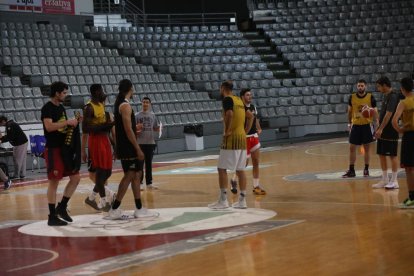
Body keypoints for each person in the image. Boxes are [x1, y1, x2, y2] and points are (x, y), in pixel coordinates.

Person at [109, 79, 155, 219]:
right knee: (129, 175)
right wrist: (138, 149)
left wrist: (135, 129)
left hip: (125, 145)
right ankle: (115, 208)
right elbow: (128, 131)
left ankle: (139, 207)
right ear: (130, 89)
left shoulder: (121, 103)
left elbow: (123, 129)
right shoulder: (125, 106)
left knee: (136, 175)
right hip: (129, 147)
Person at [208, 80, 253, 210]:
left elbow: (229, 114)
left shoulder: (227, 99)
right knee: (240, 170)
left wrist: (227, 130)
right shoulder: (239, 100)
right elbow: (250, 117)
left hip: (232, 139)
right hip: (242, 139)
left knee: (221, 169)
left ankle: (223, 201)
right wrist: (245, 131)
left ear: (222, 88)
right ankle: (242, 201)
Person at [41, 81, 81, 226]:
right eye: (64, 93)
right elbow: (49, 126)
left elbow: (64, 128)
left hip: (64, 149)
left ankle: (62, 207)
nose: (65, 95)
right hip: (52, 149)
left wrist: (74, 124)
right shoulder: (47, 108)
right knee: (54, 182)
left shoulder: (62, 107)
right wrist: (67, 123)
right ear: (57, 93)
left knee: (76, 178)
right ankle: (52, 216)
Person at [82, 84, 116, 212]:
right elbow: (85, 129)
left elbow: (105, 128)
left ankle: (91, 198)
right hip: (95, 141)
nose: (103, 92)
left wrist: (114, 145)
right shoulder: (89, 108)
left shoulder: (101, 105)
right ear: (96, 92)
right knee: (101, 173)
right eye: (101, 90)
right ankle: (103, 201)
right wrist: (104, 126)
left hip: (104, 140)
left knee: (107, 172)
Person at [230, 88, 266, 195]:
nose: (249, 97)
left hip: (254, 137)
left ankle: (256, 186)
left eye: (250, 95)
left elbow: (255, 119)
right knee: (243, 164)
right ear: (242, 97)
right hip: (244, 138)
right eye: (247, 95)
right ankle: (233, 180)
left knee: (256, 162)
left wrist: (259, 128)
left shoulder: (253, 107)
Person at [342, 79, 378, 178]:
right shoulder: (352, 97)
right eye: (359, 86)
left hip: (367, 125)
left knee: (367, 149)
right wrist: (349, 123)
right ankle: (351, 170)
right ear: (357, 87)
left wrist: (376, 122)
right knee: (351, 148)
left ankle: (366, 169)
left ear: (365, 86)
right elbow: (349, 112)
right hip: (356, 125)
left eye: (362, 86)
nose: (360, 87)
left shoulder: (371, 97)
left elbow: (375, 112)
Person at [373, 76, 400, 189]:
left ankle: (394, 180)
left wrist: (381, 128)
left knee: (392, 155)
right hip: (383, 129)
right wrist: (378, 126)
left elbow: (389, 114)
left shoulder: (393, 96)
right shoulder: (385, 95)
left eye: (379, 86)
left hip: (390, 130)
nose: (378, 88)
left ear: (384, 85)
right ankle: (385, 179)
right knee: (381, 154)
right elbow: (383, 113)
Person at [392, 77, 414, 208]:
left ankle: (412, 197)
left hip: (410, 136)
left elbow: (394, 121)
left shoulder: (403, 102)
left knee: (409, 168)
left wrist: (400, 129)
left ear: (402, 88)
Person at [135, 96, 160, 190]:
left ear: (150, 104)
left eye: (147, 102)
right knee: (140, 164)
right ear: (141, 103)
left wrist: (159, 129)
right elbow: (133, 128)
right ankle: (140, 183)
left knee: (149, 164)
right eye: (144, 102)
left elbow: (155, 128)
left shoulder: (153, 115)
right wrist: (137, 128)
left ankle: (149, 183)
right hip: (140, 143)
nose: (145, 104)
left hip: (150, 143)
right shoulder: (137, 116)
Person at [0, 115, 28, 180]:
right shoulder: (10, 124)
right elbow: (10, 136)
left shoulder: (9, 125)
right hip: (23, 142)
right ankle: (22, 174)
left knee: (17, 159)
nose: (0, 125)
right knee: (22, 159)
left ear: (3, 121)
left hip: (20, 143)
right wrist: (2, 139)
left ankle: (16, 175)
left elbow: (10, 137)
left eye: (0, 123)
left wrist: (1, 140)